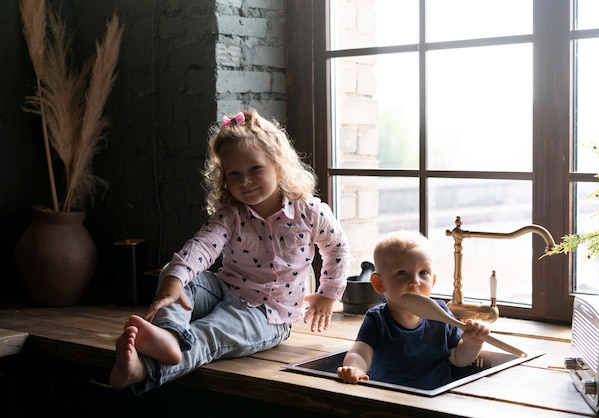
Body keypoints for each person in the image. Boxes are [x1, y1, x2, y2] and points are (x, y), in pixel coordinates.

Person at [110, 109, 350, 394]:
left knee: (211, 333)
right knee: (176, 276)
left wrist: (328, 294)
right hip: (224, 288)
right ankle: (169, 333)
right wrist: (173, 281)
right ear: (224, 178)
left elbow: (337, 248)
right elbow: (202, 246)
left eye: (255, 169)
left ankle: (146, 369)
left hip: (269, 314)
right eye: (234, 174)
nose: (245, 181)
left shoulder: (309, 212)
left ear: (278, 165)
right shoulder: (231, 214)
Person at [336, 230, 489, 390]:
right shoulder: (377, 320)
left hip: (436, 399)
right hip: (390, 400)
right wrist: (355, 369)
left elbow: (458, 358)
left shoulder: (441, 315)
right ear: (379, 283)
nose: (415, 281)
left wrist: (473, 344)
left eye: (423, 272)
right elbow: (360, 352)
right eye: (402, 273)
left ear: (433, 280)